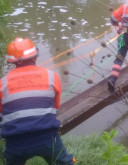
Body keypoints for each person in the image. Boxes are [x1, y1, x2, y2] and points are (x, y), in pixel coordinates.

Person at [0, 37, 74, 165]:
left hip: (16, 142)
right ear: (35, 56)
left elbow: (3, 114)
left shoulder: (2, 83)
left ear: (13, 62)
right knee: (64, 162)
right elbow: (55, 107)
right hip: (47, 138)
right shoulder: (51, 76)